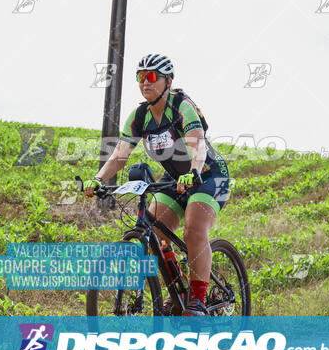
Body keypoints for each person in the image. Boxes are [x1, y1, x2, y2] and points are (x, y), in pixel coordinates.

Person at [84, 53, 230, 316]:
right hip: (175, 180)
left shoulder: (182, 107)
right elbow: (119, 156)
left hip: (208, 175)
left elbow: (198, 146)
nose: (144, 83)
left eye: (151, 77)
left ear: (168, 81)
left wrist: (194, 172)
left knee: (193, 230)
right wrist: (98, 179)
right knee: (155, 234)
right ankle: (178, 292)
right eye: (140, 78)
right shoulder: (140, 116)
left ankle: (197, 300)